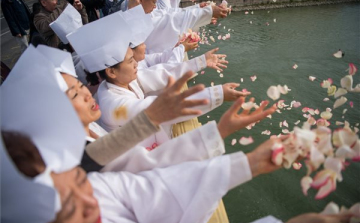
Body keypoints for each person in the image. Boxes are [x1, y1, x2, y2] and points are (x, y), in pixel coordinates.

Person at [67, 12, 248, 149]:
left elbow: (160, 73)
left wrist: (201, 61)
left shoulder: (124, 82)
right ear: (111, 72)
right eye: (131, 61)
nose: (136, 63)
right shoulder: (112, 104)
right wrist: (219, 93)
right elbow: (160, 107)